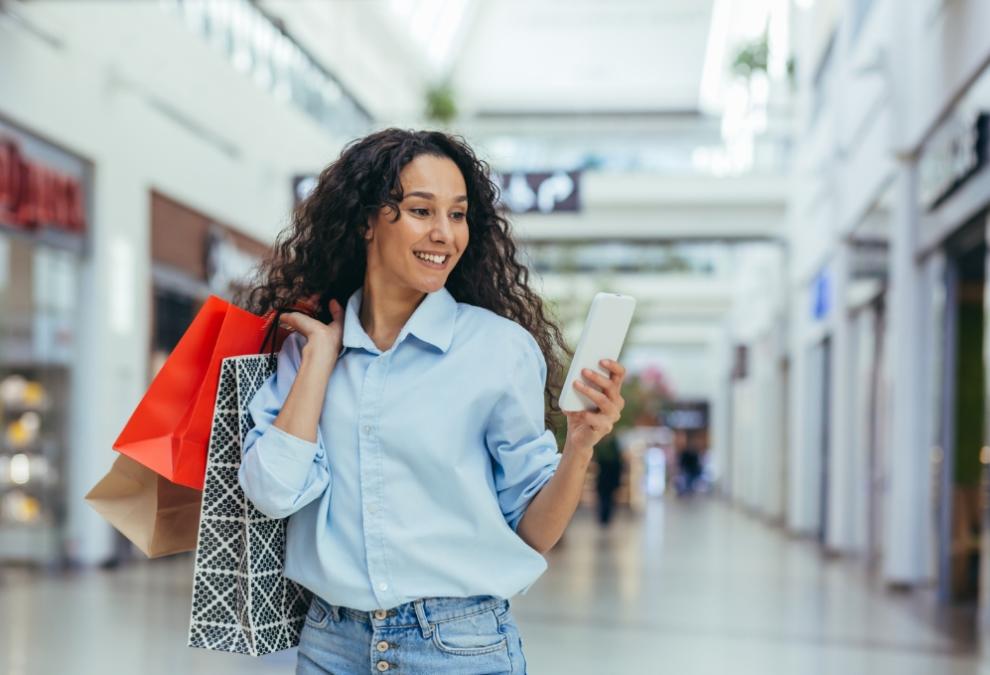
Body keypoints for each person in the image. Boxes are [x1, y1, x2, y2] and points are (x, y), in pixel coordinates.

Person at [236, 128, 627, 674]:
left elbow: (533, 532)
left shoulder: (498, 349)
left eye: (458, 214)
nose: (444, 233)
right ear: (365, 221)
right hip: (330, 646)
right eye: (422, 210)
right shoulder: (307, 349)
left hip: (459, 648)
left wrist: (581, 443)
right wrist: (322, 359)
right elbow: (274, 492)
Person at [593, 432, 623, 525]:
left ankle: (605, 518)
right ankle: (604, 517)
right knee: (605, 497)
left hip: (608, 476)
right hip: (606, 476)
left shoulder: (610, 444)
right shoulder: (606, 445)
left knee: (607, 498)